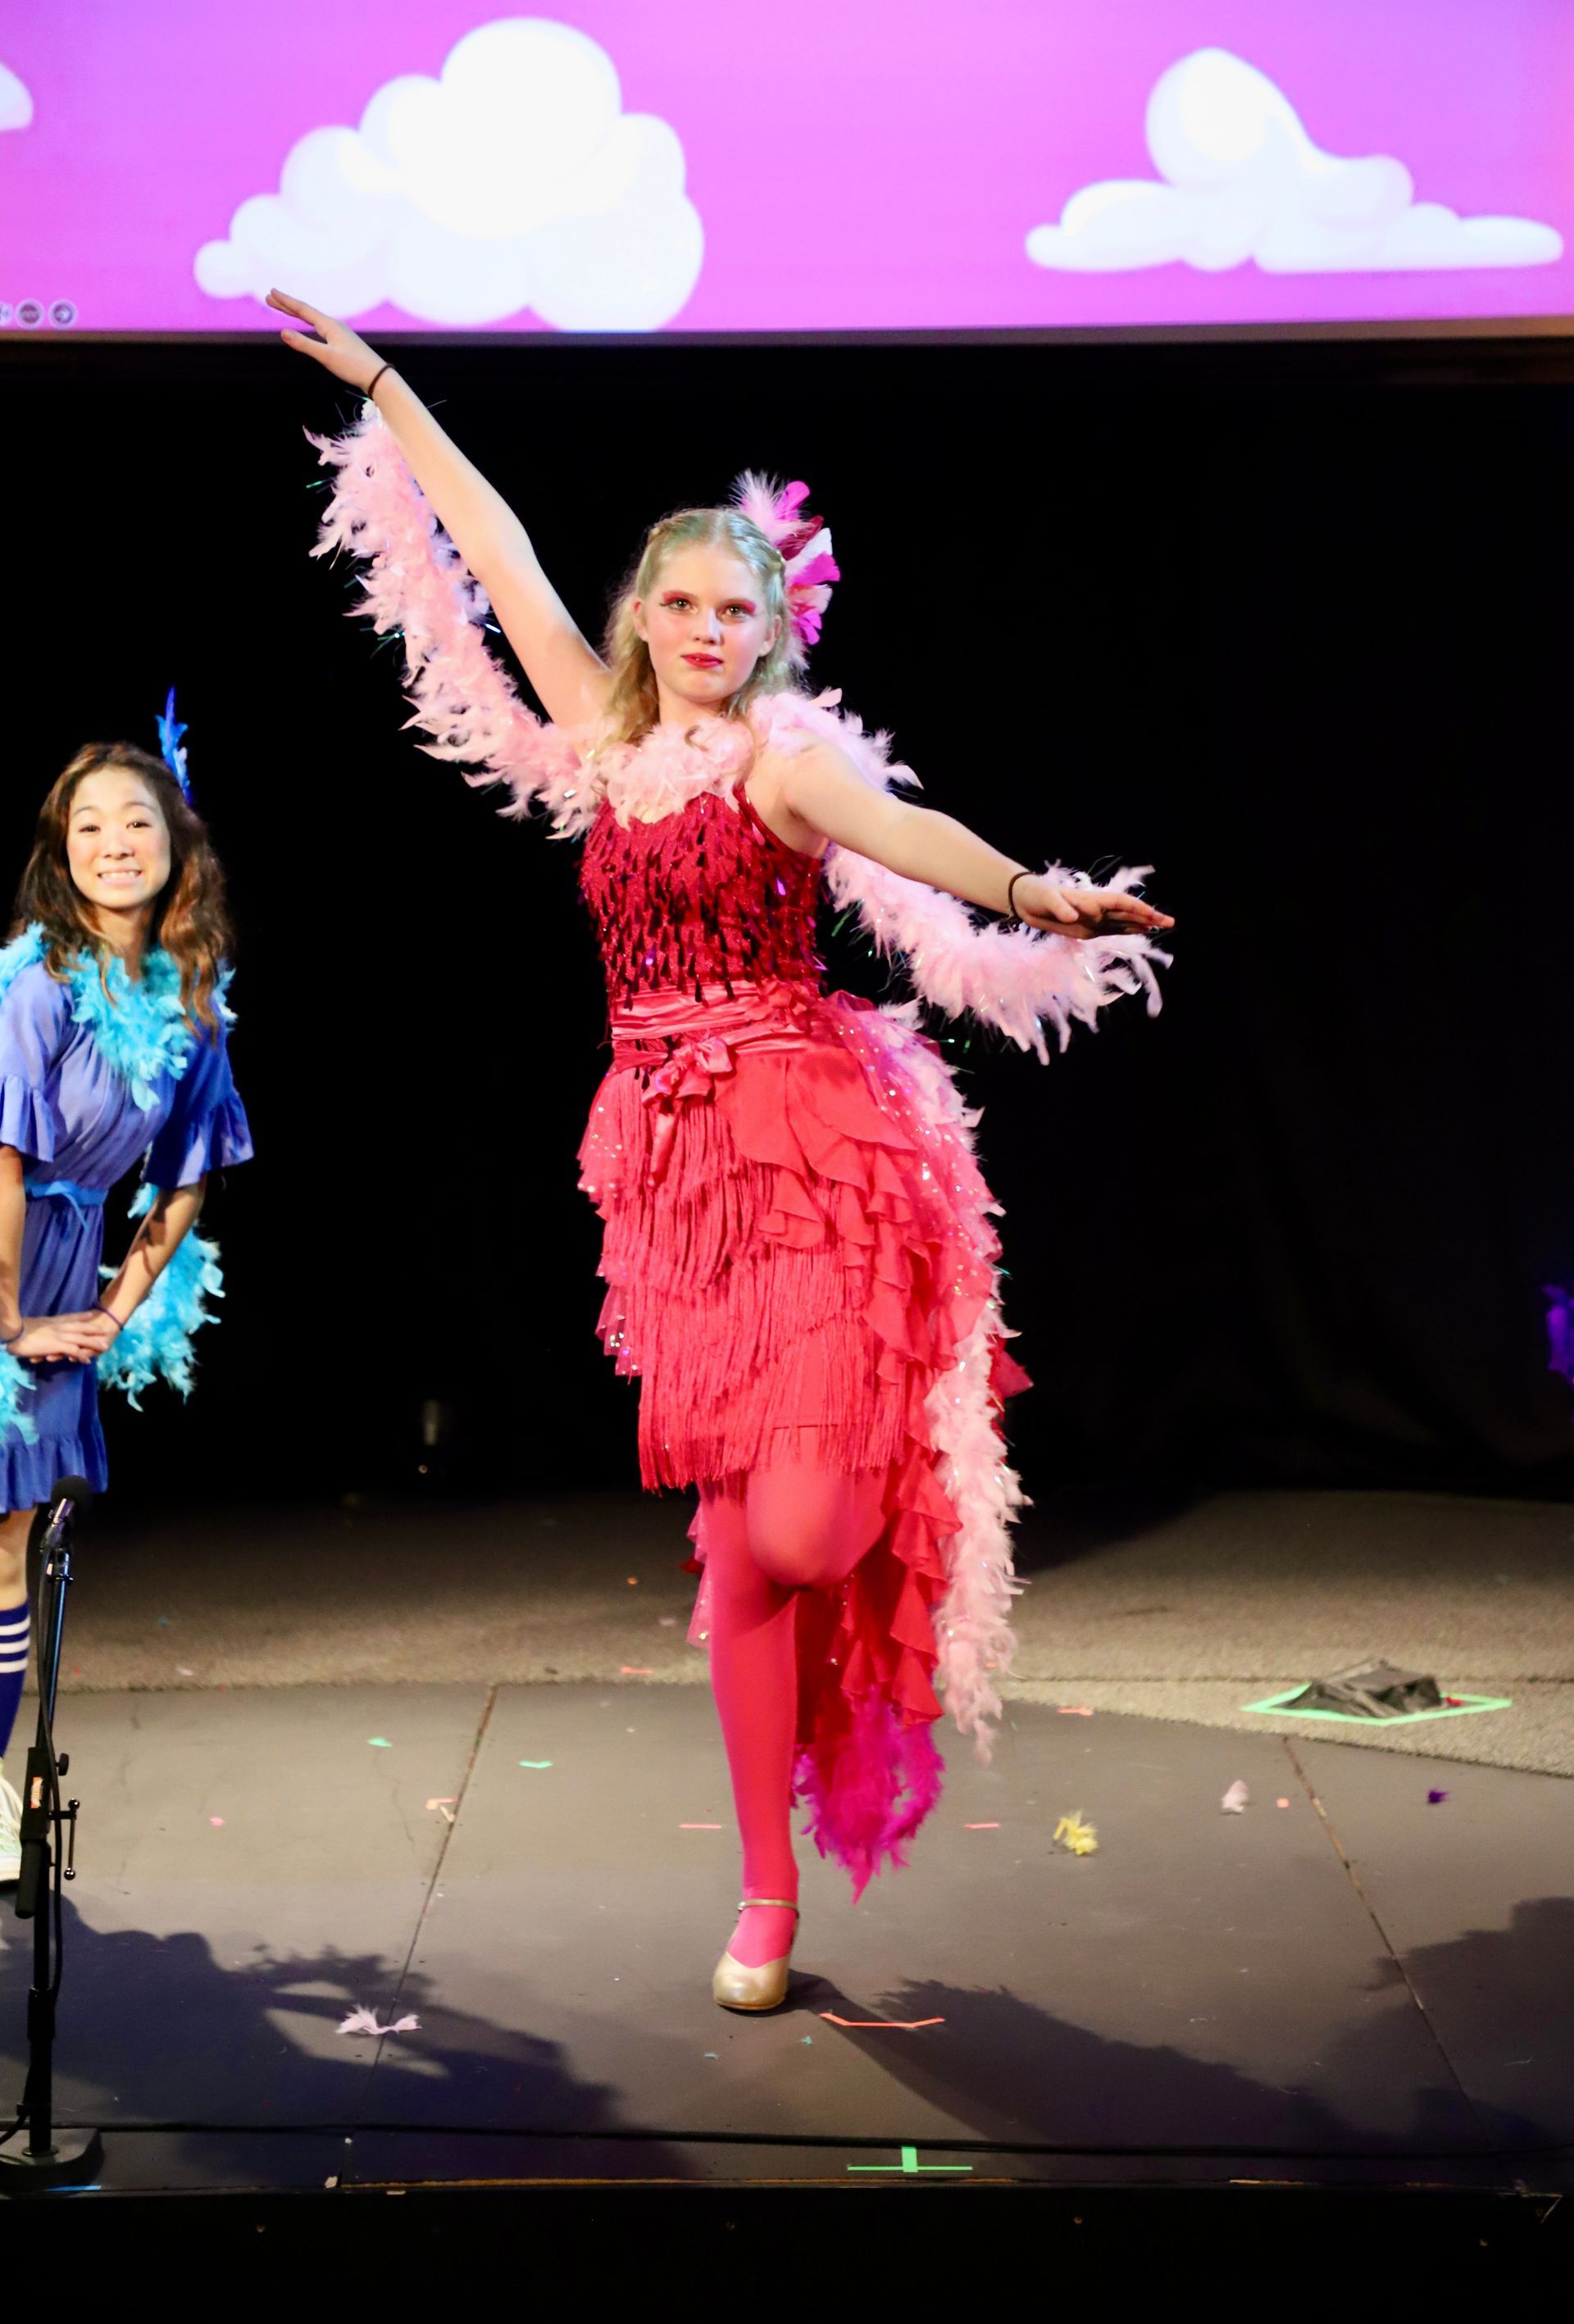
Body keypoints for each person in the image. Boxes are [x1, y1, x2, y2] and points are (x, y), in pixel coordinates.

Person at [274, 287, 1172, 2011]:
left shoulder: (782, 764)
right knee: (744, 1525)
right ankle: (764, 1894)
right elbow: (491, 539)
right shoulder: (602, 743)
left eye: (732, 606)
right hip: (670, 1178)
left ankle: (783, 1566)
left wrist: (1032, 891)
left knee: (809, 1538)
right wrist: (385, 387)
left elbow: (913, 832)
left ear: (770, 627)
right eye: (676, 601)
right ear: (640, 616)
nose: (701, 626)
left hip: (811, 1145)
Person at [0, 729, 252, 1881]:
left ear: (175, 846)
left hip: (62, 1277)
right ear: (63, 847)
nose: (112, 844)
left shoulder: (190, 1007)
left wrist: (117, 1304)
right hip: (3, 1270)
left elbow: (193, 1168)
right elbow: (3, 1155)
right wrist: (11, 1324)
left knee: (12, 1549)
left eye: (136, 822)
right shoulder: (32, 984)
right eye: (89, 824)